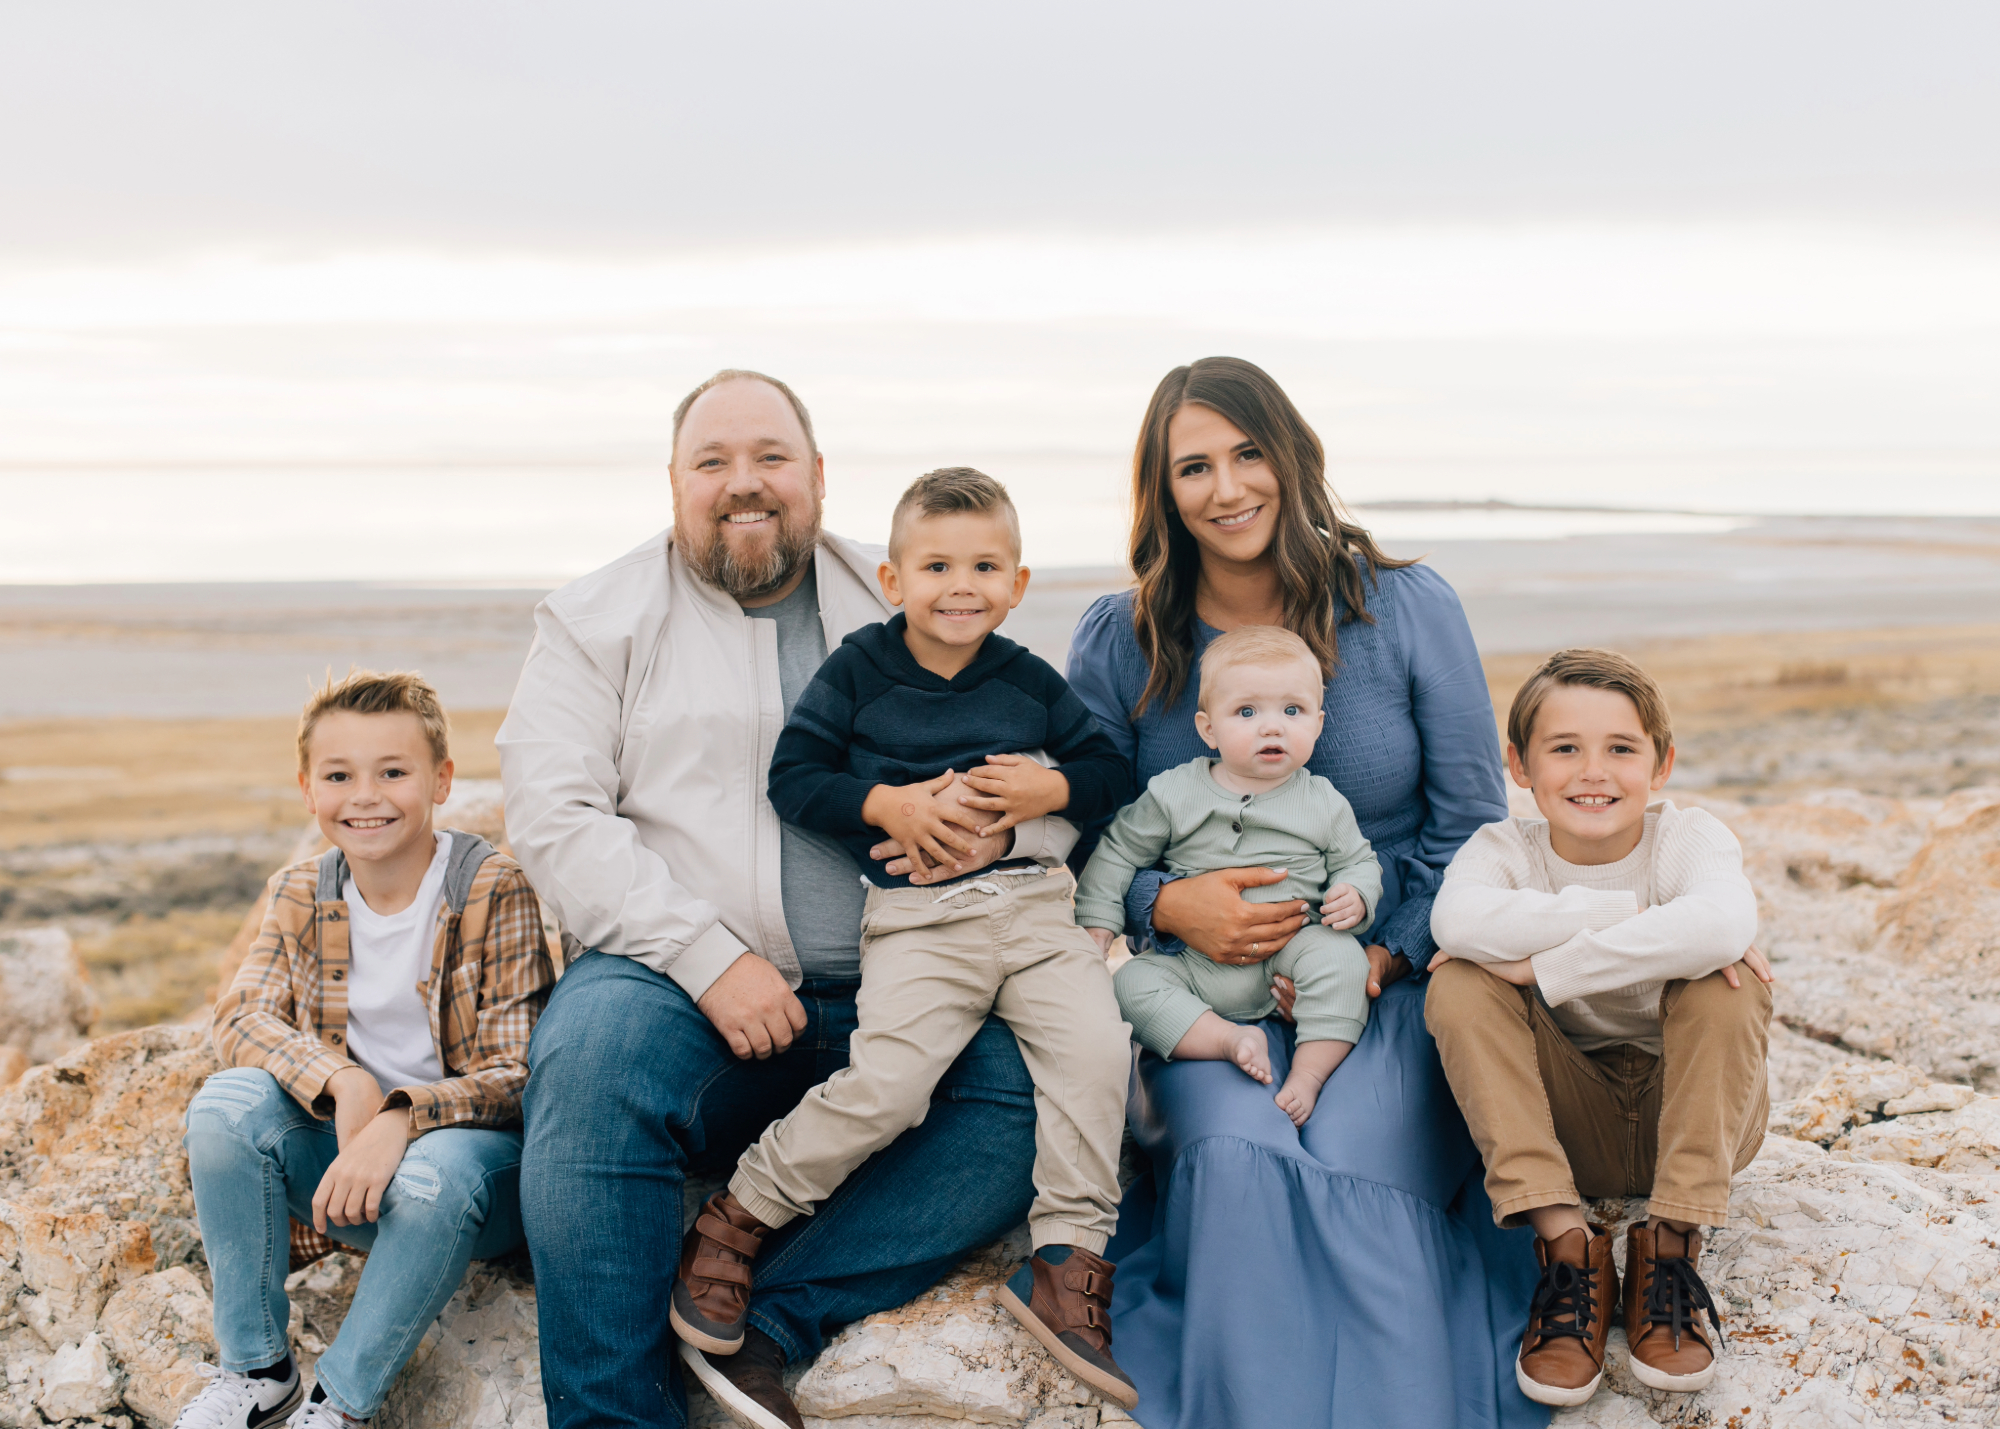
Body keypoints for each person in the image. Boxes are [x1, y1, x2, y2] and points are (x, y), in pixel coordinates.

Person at [499, 373, 1080, 1429]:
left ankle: (759, 1321)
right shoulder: (593, 619)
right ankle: (615, 1416)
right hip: (675, 990)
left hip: (909, 979)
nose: (742, 484)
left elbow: (1044, 768)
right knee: (586, 1073)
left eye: (769, 457)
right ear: (671, 484)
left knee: (1023, 1098)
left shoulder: (912, 591)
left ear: (816, 476)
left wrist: (1004, 827)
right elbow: (553, 817)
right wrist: (703, 956)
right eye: (711, 462)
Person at [1064, 356, 1545, 1428]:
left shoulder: (1406, 607)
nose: (1226, 486)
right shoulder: (1119, 636)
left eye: (1245, 453)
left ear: (1289, 456)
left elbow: (1467, 819)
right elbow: (1086, 830)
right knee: (1238, 1162)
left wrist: (1382, 953)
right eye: (1193, 466)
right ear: (1161, 489)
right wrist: (1164, 908)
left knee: (1360, 1164)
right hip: (1196, 993)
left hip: (1387, 983)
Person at [673, 467, 1139, 1410]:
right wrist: (882, 801)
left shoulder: (1029, 679)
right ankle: (740, 1215)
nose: (959, 585)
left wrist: (1049, 793)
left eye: (983, 566)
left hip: (1038, 912)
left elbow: (1105, 768)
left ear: (1017, 583)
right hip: (921, 922)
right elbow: (794, 775)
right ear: (893, 581)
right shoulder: (859, 670)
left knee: (1096, 1053)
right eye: (935, 565)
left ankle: (1066, 1259)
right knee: (889, 1083)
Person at [181, 670, 554, 1429]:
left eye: (393, 771)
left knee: (435, 1175)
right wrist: (345, 1081)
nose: (366, 796)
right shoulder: (300, 890)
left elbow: (519, 1073)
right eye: (339, 775)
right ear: (307, 788)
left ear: (441, 779)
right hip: (344, 1177)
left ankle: (339, 1405)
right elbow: (242, 1014)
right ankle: (258, 1372)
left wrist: (400, 1114)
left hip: (468, 1184)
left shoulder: (491, 888)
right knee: (224, 1106)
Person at [1426, 648, 1773, 1406]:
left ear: (1662, 765)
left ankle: (1671, 1247)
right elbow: (1455, 920)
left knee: (1727, 982)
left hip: (1691, 1117)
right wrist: (1630, 916)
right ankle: (1568, 1249)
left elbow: (1722, 923)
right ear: (1519, 765)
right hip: (1563, 1122)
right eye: (1564, 748)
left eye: (1621, 748)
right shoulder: (1502, 851)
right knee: (1457, 980)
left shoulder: (1689, 838)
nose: (1594, 771)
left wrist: (1549, 966)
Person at [1074, 624, 1381, 1126]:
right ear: (1208, 728)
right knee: (1130, 985)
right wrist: (1098, 919)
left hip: (1294, 949)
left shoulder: (1323, 801)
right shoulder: (1174, 793)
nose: (1272, 727)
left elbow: (1358, 860)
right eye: (1246, 712)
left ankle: (1310, 1072)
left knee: (1344, 962)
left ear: (1319, 723)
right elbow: (1118, 851)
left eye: (1292, 711)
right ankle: (1226, 1038)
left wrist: (1356, 893)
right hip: (1195, 963)